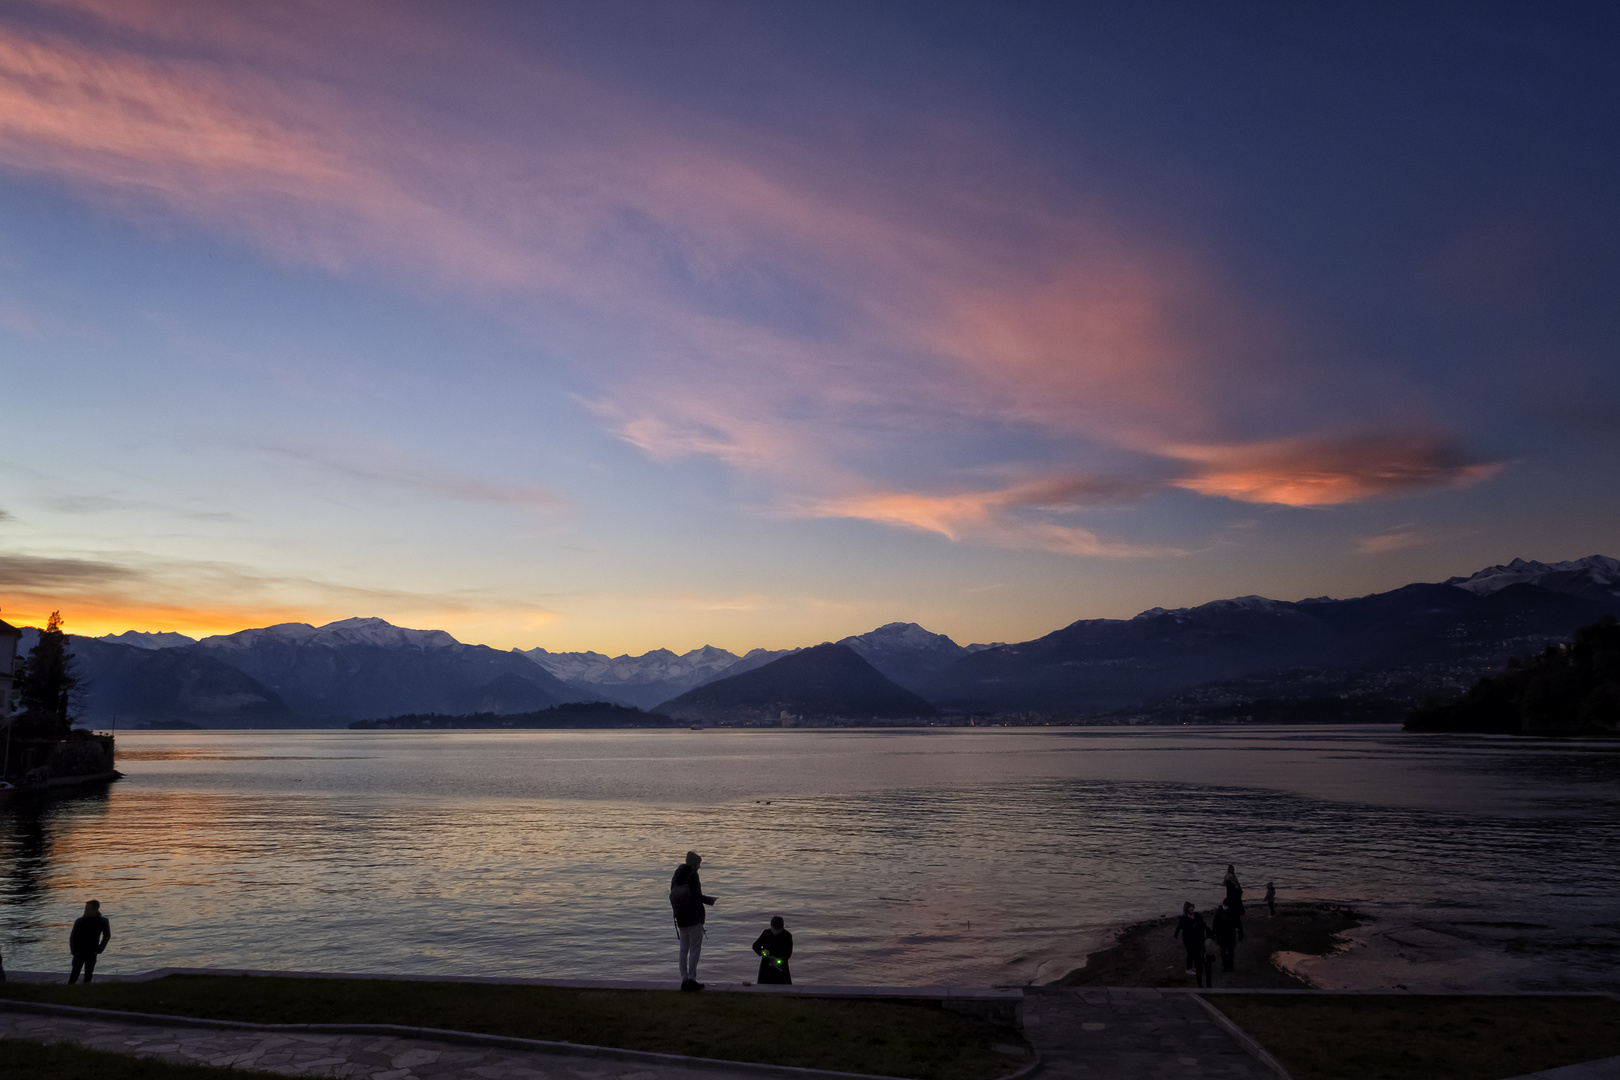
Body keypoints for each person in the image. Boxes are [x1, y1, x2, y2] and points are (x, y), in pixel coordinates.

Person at [669, 851, 716, 991]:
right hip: (693, 918)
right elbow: (697, 897)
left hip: (680, 919)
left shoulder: (676, 875)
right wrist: (710, 900)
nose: (699, 867)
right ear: (694, 863)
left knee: (683, 949)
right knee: (695, 949)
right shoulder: (693, 875)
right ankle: (692, 979)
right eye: (699, 864)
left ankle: (684, 980)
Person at [69, 900, 111, 983]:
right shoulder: (80, 921)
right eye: (85, 909)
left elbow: (107, 936)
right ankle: (70, 989)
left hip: (92, 951)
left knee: (88, 974)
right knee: (74, 974)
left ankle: (86, 990)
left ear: (95, 910)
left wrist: (99, 949)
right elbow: (73, 937)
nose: (85, 911)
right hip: (79, 951)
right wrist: (74, 951)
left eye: (88, 909)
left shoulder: (102, 921)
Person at [1172, 902, 1211, 987]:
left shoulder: (1197, 916)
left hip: (1197, 937)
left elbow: (1203, 923)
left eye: (1193, 909)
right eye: (1190, 909)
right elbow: (1179, 927)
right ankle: (1188, 968)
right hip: (1187, 938)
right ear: (1186, 910)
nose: (1192, 911)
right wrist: (1175, 934)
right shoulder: (1184, 919)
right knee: (1190, 953)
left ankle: (1193, 967)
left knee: (1196, 952)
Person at [752, 915, 793, 985]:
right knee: (763, 988)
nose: (775, 932)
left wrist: (779, 960)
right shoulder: (766, 933)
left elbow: (788, 953)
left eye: (778, 930)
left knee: (783, 988)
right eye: (773, 929)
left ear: (782, 928)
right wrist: (762, 951)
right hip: (766, 966)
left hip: (781, 967)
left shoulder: (787, 936)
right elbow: (755, 946)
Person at [1211, 898, 1238, 973]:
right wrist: (1214, 933)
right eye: (1225, 906)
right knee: (1223, 951)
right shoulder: (1219, 912)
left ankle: (1230, 966)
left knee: (1230, 951)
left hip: (1230, 935)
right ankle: (1225, 966)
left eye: (1228, 906)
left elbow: (1236, 923)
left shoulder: (1233, 912)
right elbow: (1215, 924)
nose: (1226, 907)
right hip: (1221, 935)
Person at [1223, 865, 1245, 941]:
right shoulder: (1233, 879)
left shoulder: (1229, 879)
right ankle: (1238, 932)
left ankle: (1238, 933)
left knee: (1233, 917)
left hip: (1233, 902)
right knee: (1235, 917)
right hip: (1235, 902)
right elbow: (1239, 890)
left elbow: (1224, 884)